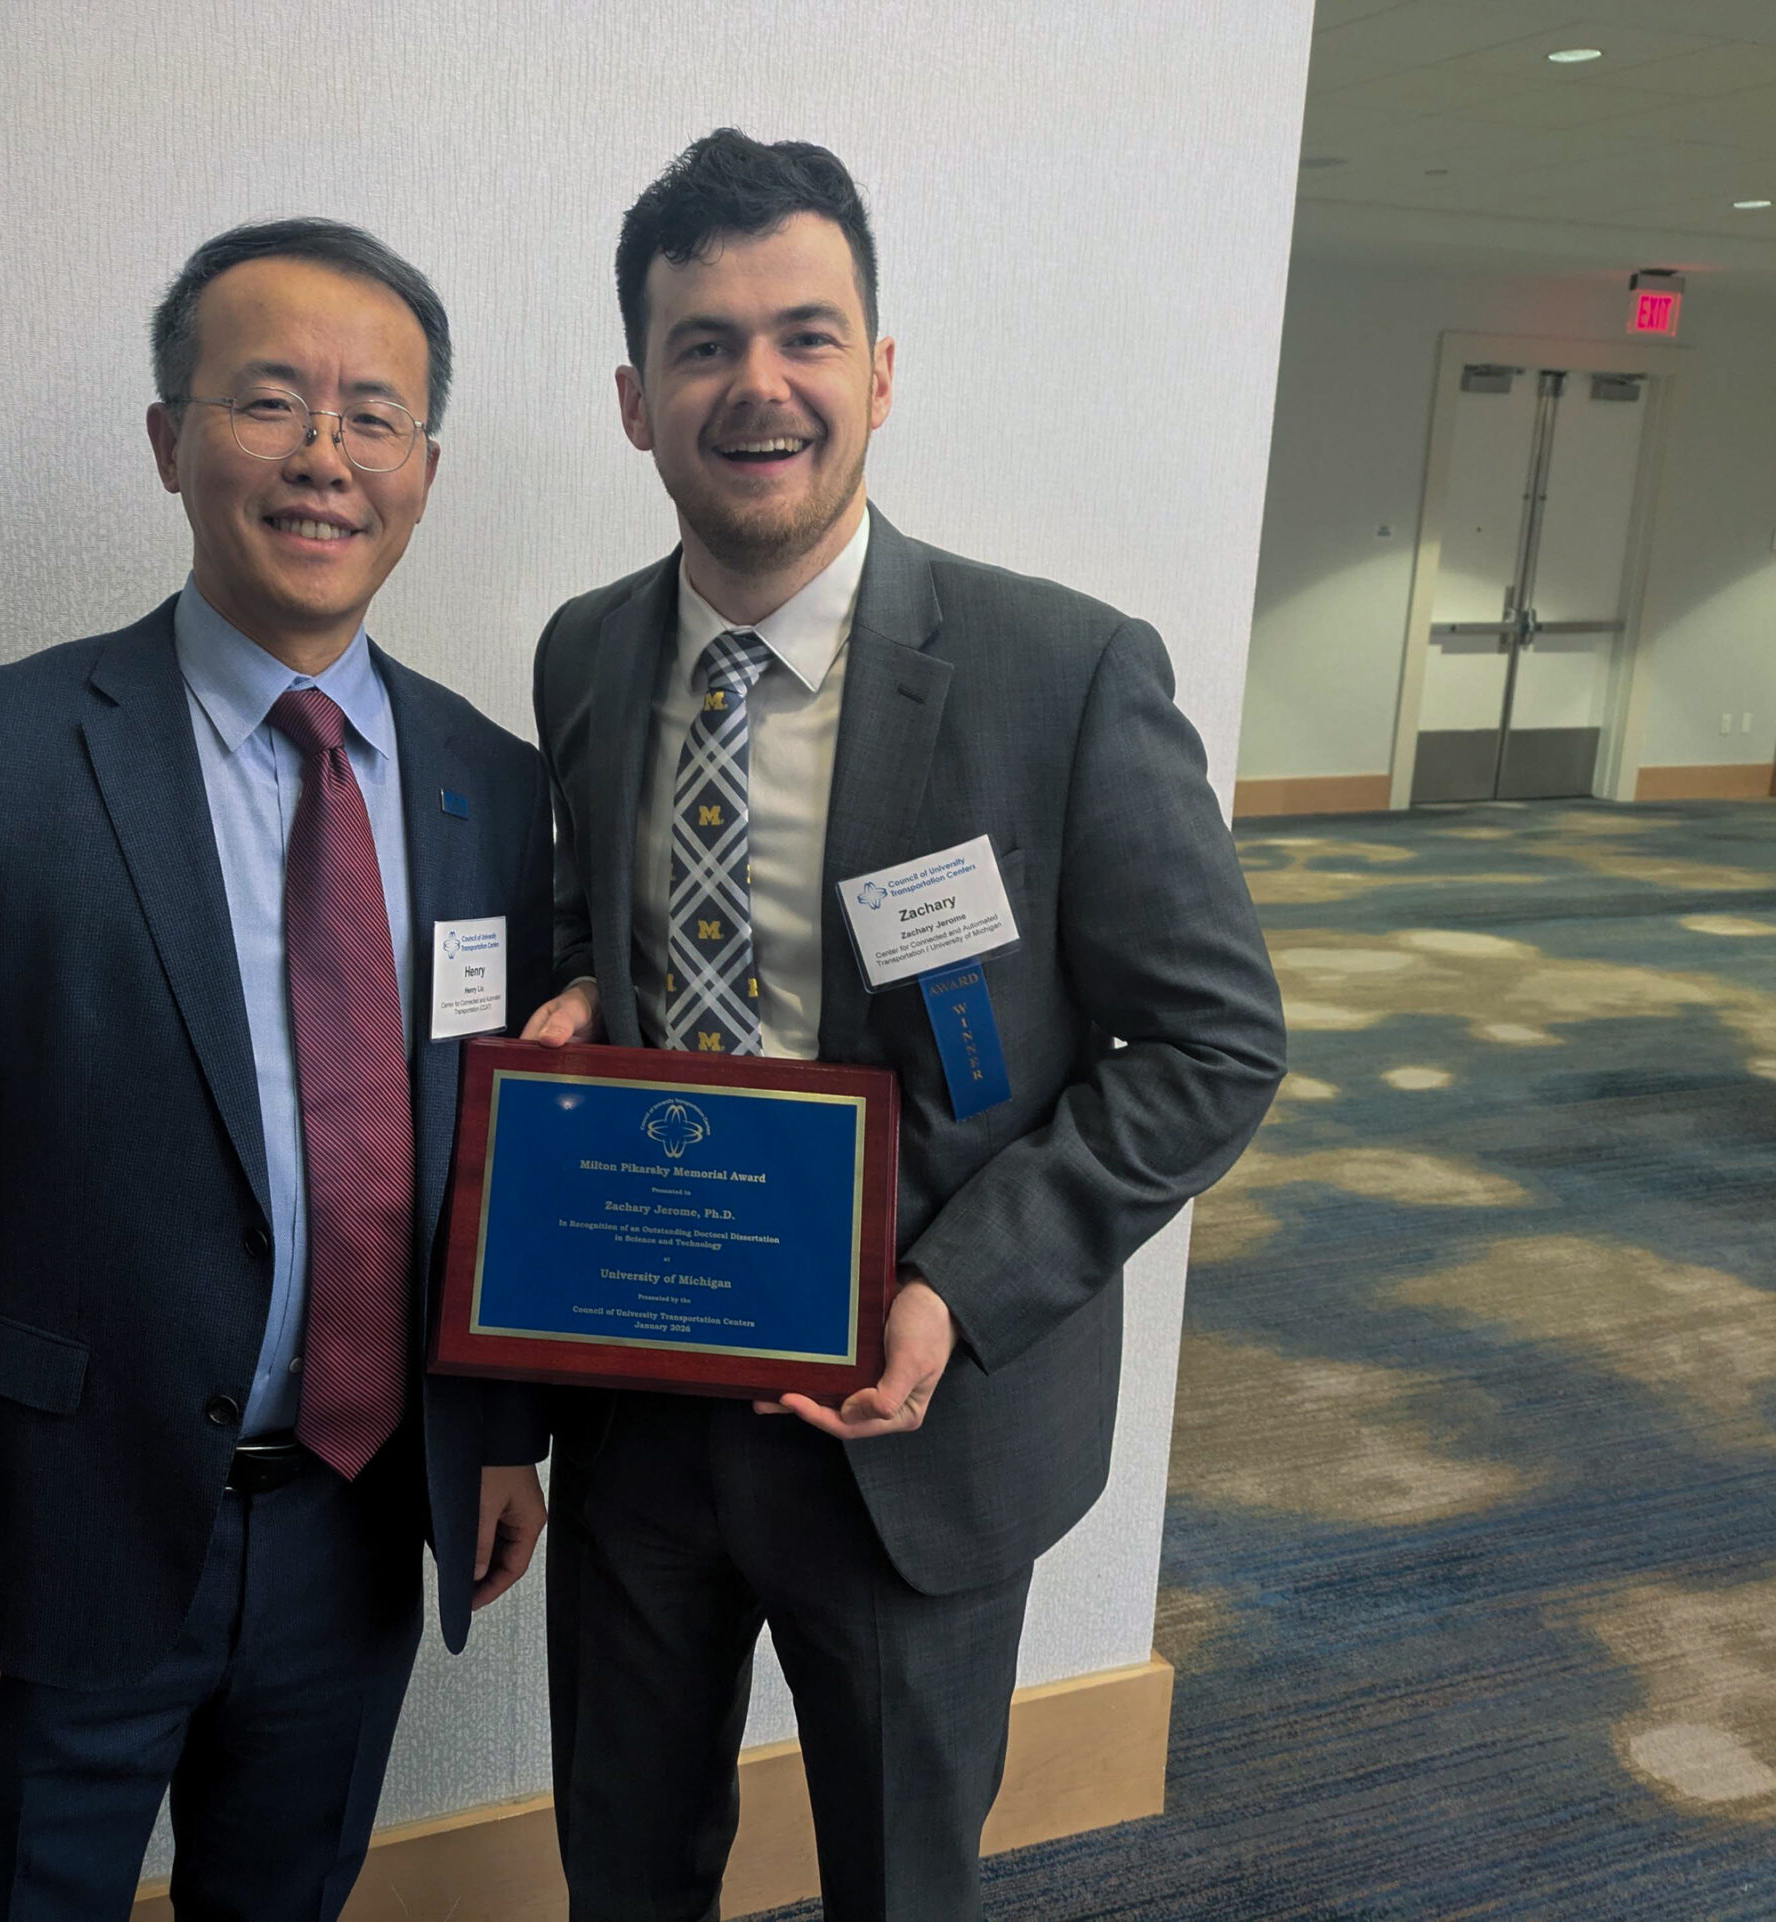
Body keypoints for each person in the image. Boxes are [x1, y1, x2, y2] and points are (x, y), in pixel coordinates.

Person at [521, 130, 1287, 1920]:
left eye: (805, 332)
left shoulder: (1064, 671)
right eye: (703, 344)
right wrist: (572, 994)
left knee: (898, 1880)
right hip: (635, 1392)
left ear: (880, 369)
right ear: (637, 400)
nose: (757, 384)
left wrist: (957, 1285)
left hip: (909, 1415)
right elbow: (589, 929)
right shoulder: (580, 655)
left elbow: (1211, 1046)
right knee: (622, 1865)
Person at [0, 217, 554, 1922]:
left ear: (426, 468)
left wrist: (499, 1430)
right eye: (267, 400)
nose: (322, 456)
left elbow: (487, 1144)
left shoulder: (489, 784)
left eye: (375, 415)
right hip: (52, 1527)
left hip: (359, 1524)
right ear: (169, 441)